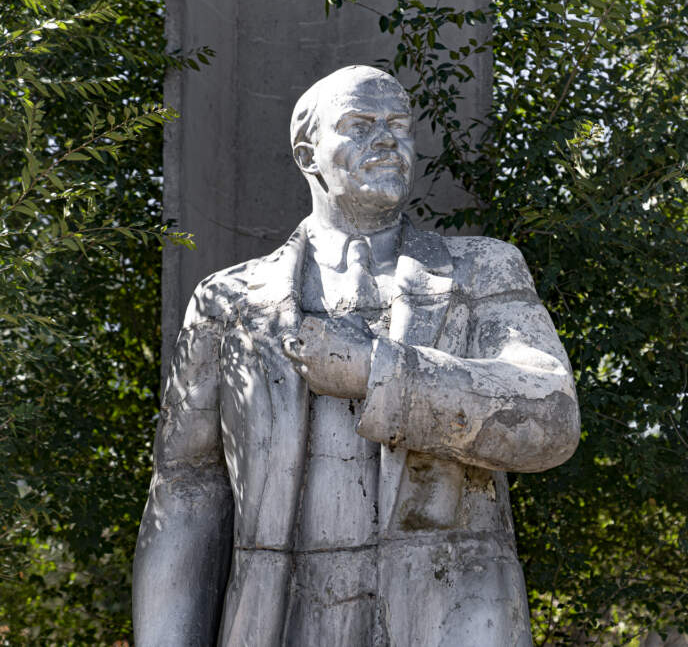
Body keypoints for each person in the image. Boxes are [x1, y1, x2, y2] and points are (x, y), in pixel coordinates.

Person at [133, 65, 580, 646]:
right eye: (361, 124)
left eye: (399, 124)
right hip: (282, 614)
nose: (388, 139)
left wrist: (379, 374)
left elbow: (551, 417)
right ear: (307, 154)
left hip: (447, 611)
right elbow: (187, 495)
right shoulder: (228, 302)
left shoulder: (484, 270)